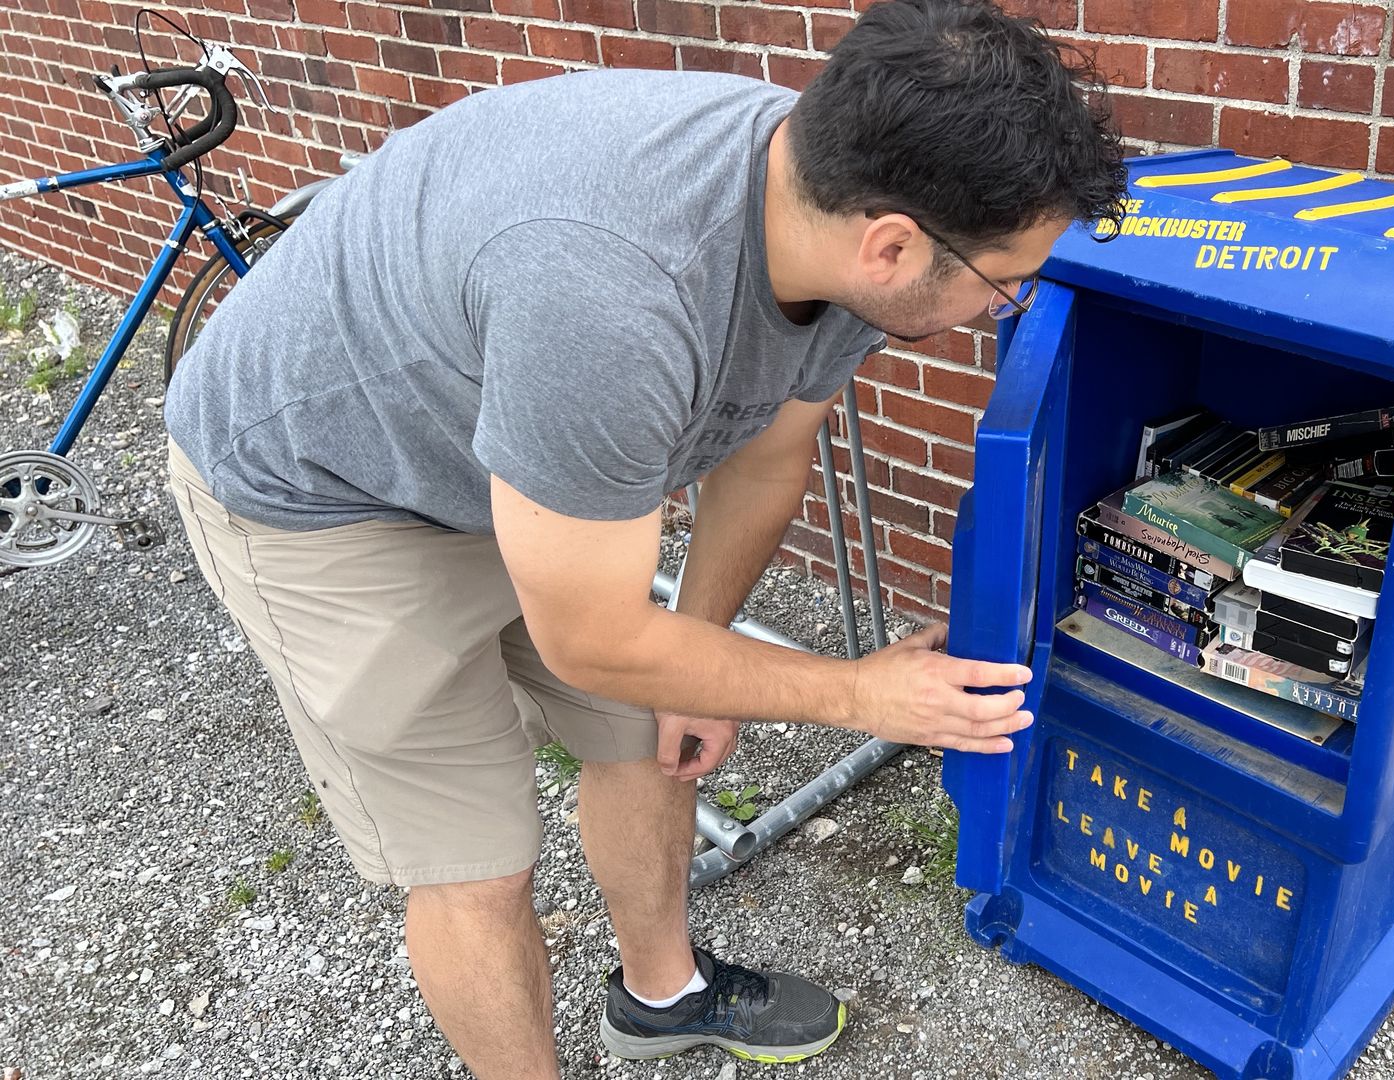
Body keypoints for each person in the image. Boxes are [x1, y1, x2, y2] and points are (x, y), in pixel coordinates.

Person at [160, 0, 1127, 1074]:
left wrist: (702, 662)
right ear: (893, 247)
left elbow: (765, 453)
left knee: (649, 739)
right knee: (479, 864)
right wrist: (860, 694)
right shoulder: (614, 300)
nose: (1006, 306)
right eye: (1006, 282)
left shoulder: (836, 199)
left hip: (511, 450)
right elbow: (593, 638)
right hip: (324, 486)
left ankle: (661, 998)